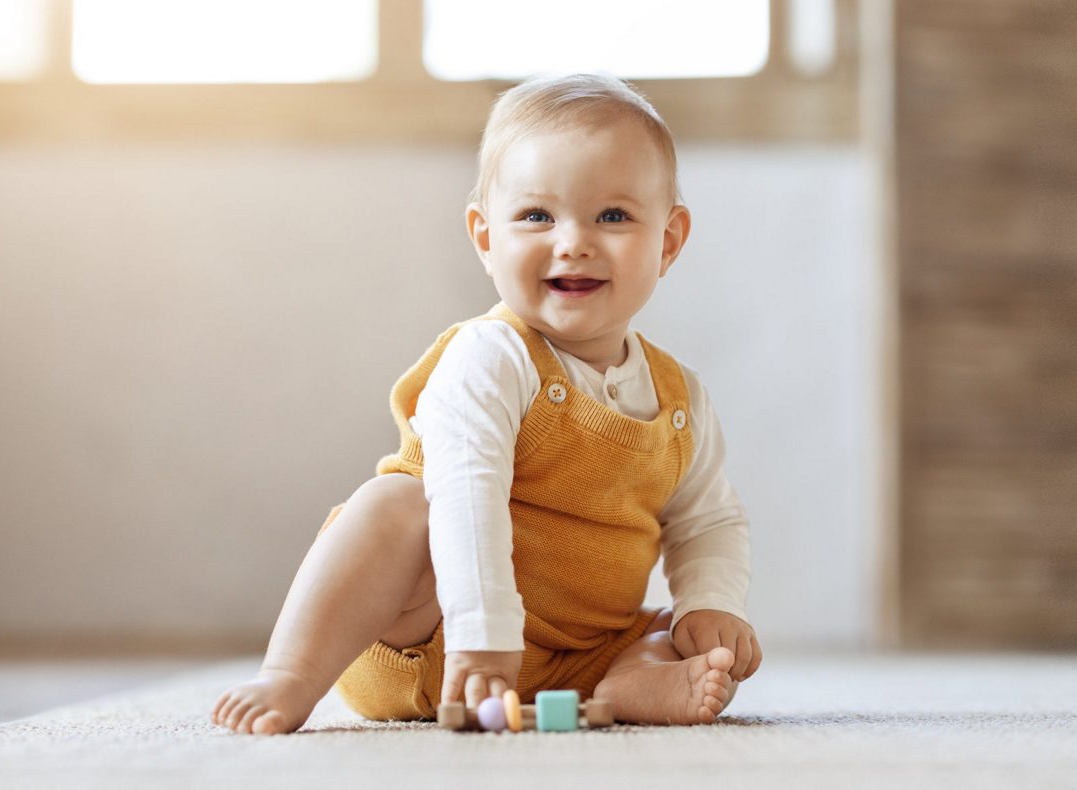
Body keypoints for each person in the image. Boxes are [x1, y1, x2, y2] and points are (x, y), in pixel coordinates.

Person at [212, 73, 760, 735]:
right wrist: (481, 631)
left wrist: (710, 604)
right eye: (536, 216)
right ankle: (291, 673)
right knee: (393, 505)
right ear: (485, 237)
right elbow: (467, 492)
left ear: (668, 241)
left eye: (612, 216)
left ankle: (635, 684)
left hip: (577, 656)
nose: (573, 241)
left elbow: (709, 522)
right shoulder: (492, 357)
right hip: (434, 634)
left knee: (682, 636)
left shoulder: (680, 400)